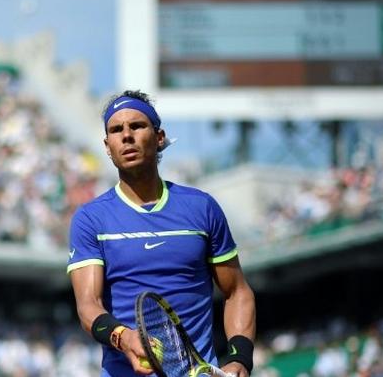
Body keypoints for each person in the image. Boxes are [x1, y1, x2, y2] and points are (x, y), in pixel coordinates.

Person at [67, 90, 256, 377]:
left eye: (137, 126)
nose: (126, 136)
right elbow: (88, 306)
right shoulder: (90, 218)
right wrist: (124, 336)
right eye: (116, 130)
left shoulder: (202, 208)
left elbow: (237, 291)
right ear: (107, 146)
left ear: (159, 137)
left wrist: (240, 358)